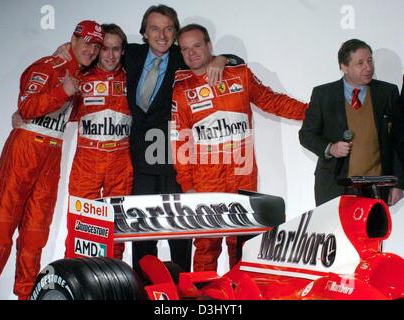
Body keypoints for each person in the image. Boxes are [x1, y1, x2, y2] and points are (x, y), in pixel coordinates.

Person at [171, 24, 308, 272]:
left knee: (242, 242)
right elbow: (180, 142)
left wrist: (311, 113)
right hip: (205, 179)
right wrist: (187, 185)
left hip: (242, 174)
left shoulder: (240, 74)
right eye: (185, 49)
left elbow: (272, 101)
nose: (191, 53)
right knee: (206, 244)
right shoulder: (181, 89)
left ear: (210, 46)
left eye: (197, 46)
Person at [123, 5, 243, 274]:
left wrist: (221, 59)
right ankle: (144, 288)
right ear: (144, 32)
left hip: (177, 160)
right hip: (141, 161)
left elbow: (234, 60)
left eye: (168, 29)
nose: (162, 35)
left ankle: (182, 294)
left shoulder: (183, 56)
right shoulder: (131, 54)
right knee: (142, 233)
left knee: (181, 232)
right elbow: (95, 56)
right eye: (155, 28)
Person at [0, 20, 103, 299]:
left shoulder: (77, 75)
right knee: (1, 227)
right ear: (74, 40)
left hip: (51, 154)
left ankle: (25, 295)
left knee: (35, 234)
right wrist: (62, 91)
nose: (91, 50)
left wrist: (72, 91)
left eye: (96, 46)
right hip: (25, 149)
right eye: (87, 42)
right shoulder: (47, 66)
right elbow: (27, 107)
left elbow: (73, 115)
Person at [299, 39, 404, 206]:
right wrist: (330, 148)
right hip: (334, 187)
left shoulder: (388, 92)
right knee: (336, 232)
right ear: (344, 67)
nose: (368, 68)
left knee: (374, 233)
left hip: (376, 188)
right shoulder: (323, 94)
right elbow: (306, 135)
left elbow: (398, 141)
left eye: (370, 60)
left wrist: (398, 184)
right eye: (360, 63)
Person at [67, 24, 133, 260]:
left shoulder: (132, 79)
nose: (110, 55)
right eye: (105, 48)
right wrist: (25, 115)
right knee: (80, 229)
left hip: (120, 163)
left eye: (116, 49)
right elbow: (58, 109)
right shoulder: (80, 78)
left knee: (117, 230)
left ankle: (113, 286)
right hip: (87, 164)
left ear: (124, 51)